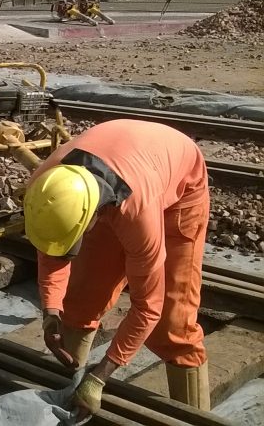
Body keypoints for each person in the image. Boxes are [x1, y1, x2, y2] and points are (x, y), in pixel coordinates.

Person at [24, 119, 211, 416]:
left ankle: (193, 418)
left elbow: (149, 307)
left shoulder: (138, 217)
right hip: (122, 164)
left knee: (173, 323)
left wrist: (100, 376)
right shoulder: (47, 185)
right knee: (82, 299)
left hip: (179, 182)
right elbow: (51, 248)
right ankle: (68, 398)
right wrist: (50, 310)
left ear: (93, 215)